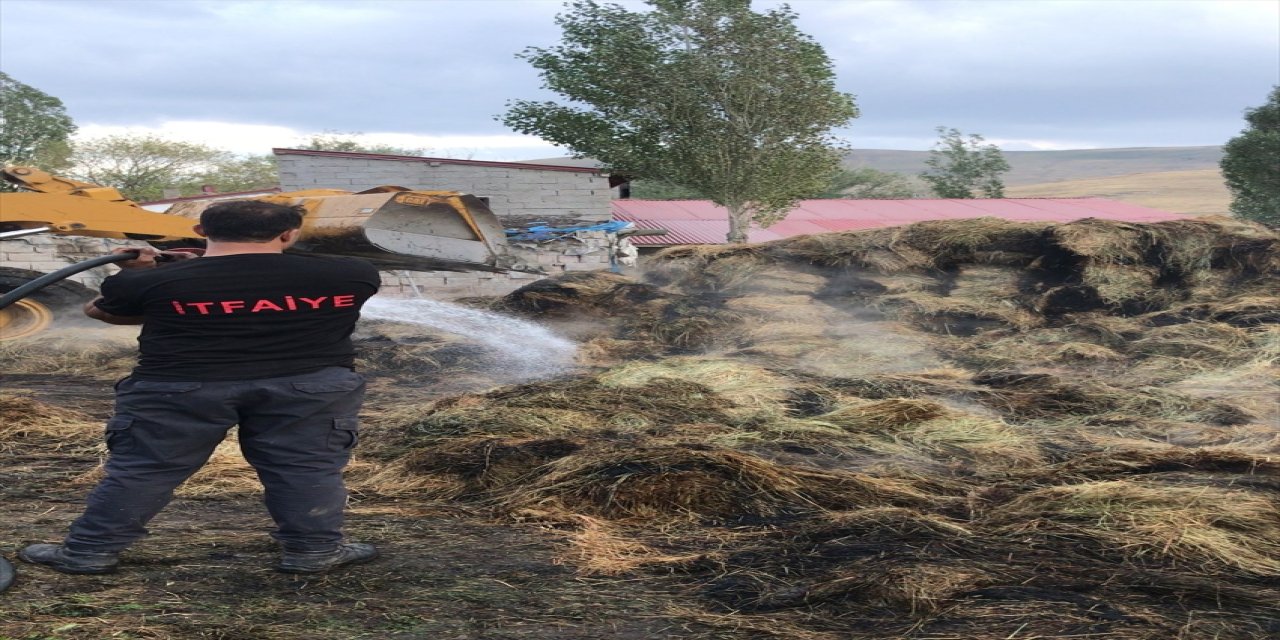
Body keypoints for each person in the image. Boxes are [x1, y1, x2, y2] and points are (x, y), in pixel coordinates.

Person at [20, 200, 382, 575]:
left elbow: (102, 311)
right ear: (290, 234)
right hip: (309, 387)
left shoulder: (147, 281)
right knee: (304, 468)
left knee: (146, 469)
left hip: (179, 389)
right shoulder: (352, 273)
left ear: (200, 231)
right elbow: (263, 293)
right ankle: (314, 551)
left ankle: (87, 552)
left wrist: (149, 270)